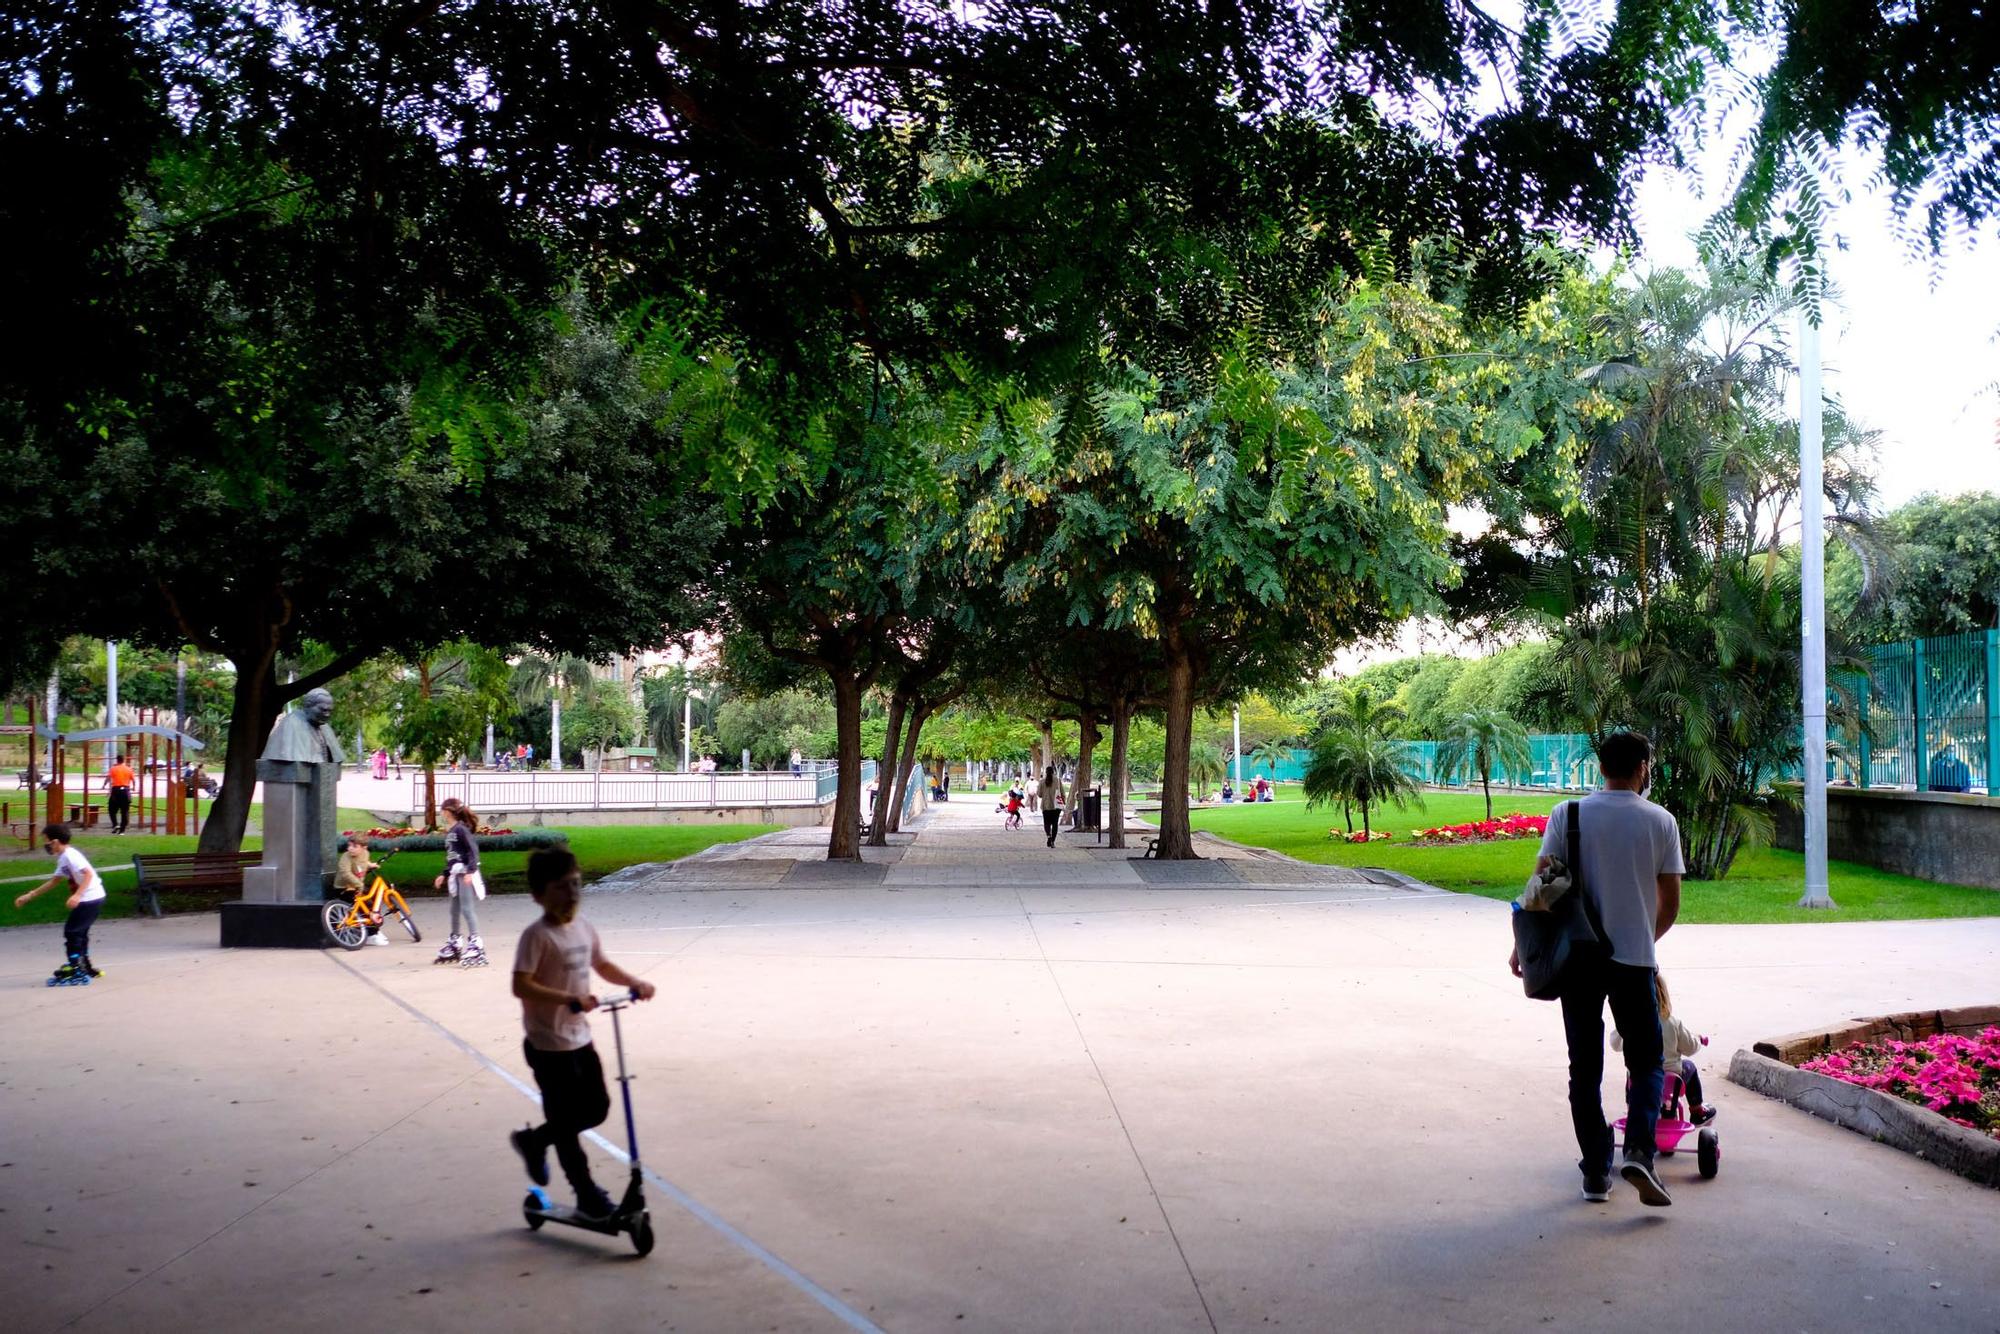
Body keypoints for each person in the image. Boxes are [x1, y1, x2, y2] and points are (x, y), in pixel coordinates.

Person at [1509, 731, 1684, 1207]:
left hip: (1578, 962)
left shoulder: (1568, 815)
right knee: (1647, 1061)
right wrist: (1644, 939)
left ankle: (1594, 1172)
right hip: (1633, 963)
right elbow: (1670, 902)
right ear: (1643, 767)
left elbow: (1543, 890)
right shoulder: (1661, 822)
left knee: (1584, 1069)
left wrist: (1521, 947)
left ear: (1601, 766)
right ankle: (1640, 1154)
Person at [508, 848, 657, 1221]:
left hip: (580, 1037)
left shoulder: (583, 927)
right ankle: (586, 1193)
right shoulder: (537, 936)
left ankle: (536, 1140)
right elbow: (521, 985)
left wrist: (634, 981)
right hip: (546, 1044)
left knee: (597, 1109)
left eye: (575, 884)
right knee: (565, 1123)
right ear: (540, 895)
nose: (572, 893)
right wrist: (568, 997)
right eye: (561, 887)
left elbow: (601, 963)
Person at [1613, 972, 1715, 1125]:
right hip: (1671, 1081)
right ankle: (1697, 1111)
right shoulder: (1673, 1023)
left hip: (1641, 1080)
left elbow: (1615, 1044)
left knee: (1631, 1074)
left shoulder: (1630, 1022)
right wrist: (1698, 1040)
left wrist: (1621, 1027)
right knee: (1690, 1067)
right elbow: (1690, 1047)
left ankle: (1632, 1110)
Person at [14, 824, 106, 984]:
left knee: (72, 932)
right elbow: (54, 881)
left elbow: (88, 874)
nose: (46, 845)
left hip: (90, 898)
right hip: (93, 897)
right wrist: (30, 895)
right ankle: (83, 965)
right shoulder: (64, 857)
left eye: (46, 841)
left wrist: (77, 895)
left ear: (55, 842)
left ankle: (75, 968)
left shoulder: (70, 855)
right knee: (79, 933)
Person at [432, 797, 487, 967]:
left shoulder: (461, 830)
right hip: (456, 874)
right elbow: (452, 858)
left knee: (466, 909)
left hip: (465, 874)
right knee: (454, 910)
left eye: (441, 810)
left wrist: (470, 871)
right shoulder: (451, 831)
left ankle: (476, 944)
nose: (440, 813)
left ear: (447, 811)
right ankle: (455, 941)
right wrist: (444, 874)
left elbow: (473, 851)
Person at [333, 835, 388, 946]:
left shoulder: (365, 854)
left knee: (373, 904)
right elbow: (345, 873)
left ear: (364, 848)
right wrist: (358, 884)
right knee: (367, 906)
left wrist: (371, 865)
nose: (350, 848)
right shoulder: (346, 857)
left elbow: (363, 861)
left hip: (358, 886)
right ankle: (372, 935)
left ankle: (372, 928)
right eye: (349, 845)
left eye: (354, 846)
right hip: (345, 888)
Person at [105, 752, 135, 834]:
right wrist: (134, 787)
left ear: (117, 760)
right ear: (123, 760)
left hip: (116, 790)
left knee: (111, 809)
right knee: (124, 811)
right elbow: (133, 780)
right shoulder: (129, 769)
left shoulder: (113, 768)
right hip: (125, 790)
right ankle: (122, 831)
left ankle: (115, 824)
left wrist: (104, 785)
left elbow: (108, 778)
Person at [1038, 766, 1063, 848]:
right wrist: (1063, 803)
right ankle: (1053, 841)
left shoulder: (1042, 781)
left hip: (1046, 806)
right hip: (1056, 806)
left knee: (1047, 823)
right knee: (1055, 824)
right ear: (1053, 772)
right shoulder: (1058, 781)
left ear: (1046, 772)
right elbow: (1062, 793)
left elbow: (1039, 794)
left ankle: (1049, 835)